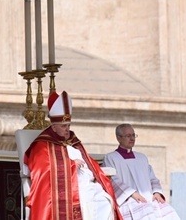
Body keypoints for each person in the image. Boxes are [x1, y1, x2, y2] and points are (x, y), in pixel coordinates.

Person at [24, 91, 123, 220]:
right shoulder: (42, 144)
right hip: (65, 188)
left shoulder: (73, 140)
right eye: (64, 126)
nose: (67, 129)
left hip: (86, 183)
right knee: (89, 203)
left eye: (69, 125)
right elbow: (41, 170)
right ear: (53, 127)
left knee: (104, 200)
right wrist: (70, 165)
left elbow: (89, 163)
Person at [103, 123, 181, 220]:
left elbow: (152, 178)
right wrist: (132, 193)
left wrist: (156, 192)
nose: (132, 138)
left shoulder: (142, 157)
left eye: (133, 135)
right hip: (127, 198)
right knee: (146, 212)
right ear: (118, 138)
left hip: (148, 197)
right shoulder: (111, 157)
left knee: (169, 211)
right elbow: (113, 180)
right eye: (128, 136)